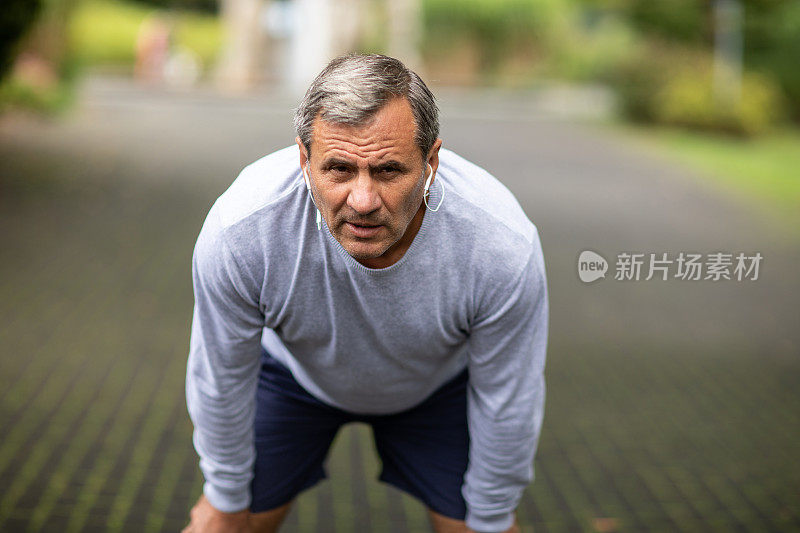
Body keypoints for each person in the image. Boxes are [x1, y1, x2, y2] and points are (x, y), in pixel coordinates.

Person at [183, 54, 549, 533]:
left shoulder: (499, 244)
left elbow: (509, 398)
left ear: (431, 161)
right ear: (303, 160)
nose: (363, 201)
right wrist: (226, 498)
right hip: (295, 378)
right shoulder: (242, 230)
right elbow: (220, 375)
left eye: (388, 171)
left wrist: (493, 514)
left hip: (435, 387)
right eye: (338, 169)